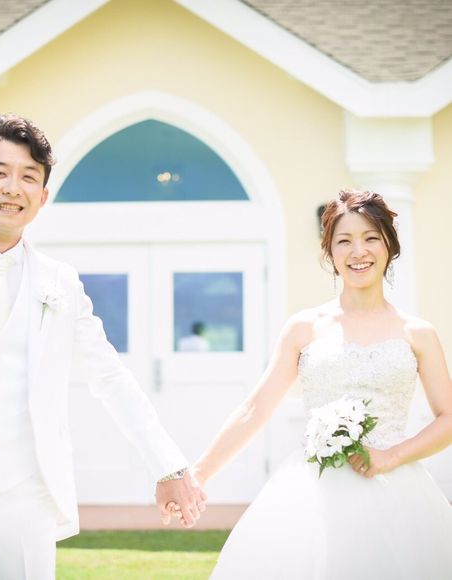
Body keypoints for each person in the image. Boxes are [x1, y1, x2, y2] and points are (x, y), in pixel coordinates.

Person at [0, 113, 205, 580]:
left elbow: (109, 376)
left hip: (27, 488)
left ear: (43, 196)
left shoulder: (60, 281)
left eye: (29, 177)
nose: (14, 188)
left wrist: (167, 466)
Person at [171, 190, 452, 578]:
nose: (358, 252)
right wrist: (198, 475)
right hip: (312, 491)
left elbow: (448, 419)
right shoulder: (304, 327)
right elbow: (255, 409)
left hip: (397, 490)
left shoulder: (418, 333)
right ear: (330, 252)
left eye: (370, 238)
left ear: (389, 244)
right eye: (344, 241)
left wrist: (391, 456)